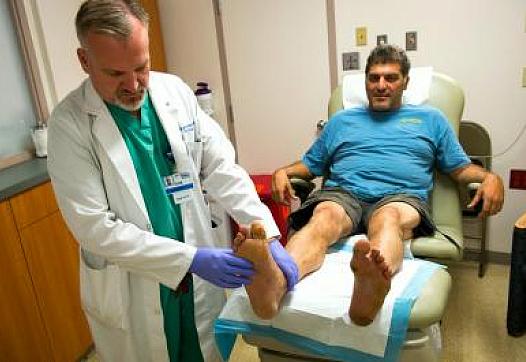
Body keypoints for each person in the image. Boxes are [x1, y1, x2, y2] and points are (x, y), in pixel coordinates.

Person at [47, 1, 283, 361]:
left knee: (204, 351)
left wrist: (266, 230)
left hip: (196, 284)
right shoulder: (69, 125)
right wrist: (191, 259)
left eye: (141, 67)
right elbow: (94, 228)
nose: (133, 84)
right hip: (134, 286)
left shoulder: (174, 92)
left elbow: (221, 167)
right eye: (115, 74)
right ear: (84, 60)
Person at [234, 44, 504, 326]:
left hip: (399, 197)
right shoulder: (341, 122)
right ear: (365, 81)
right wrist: (282, 172)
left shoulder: (431, 120)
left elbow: (460, 170)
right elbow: (308, 166)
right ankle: (275, 284)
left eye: (391, 78)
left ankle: (372, 284)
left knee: (388, 219)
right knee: (323, 217)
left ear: (406, 82)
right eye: (373, 78)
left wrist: (490, 178)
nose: (381, 85)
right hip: (343, 194)